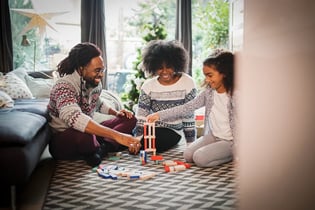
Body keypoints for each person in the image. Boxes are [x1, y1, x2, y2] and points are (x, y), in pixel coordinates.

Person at [48, 42, 141, 167]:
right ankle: (104, 145)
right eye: (97, 70)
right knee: (86, 134)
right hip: (65, 138)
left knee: (130, 119)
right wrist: (118, 136)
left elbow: (97, 102)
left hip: (89, 133)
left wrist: (116, 113)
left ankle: (101, 149)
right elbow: (75, 119)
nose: (101, 75)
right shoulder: (63, 86)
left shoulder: (93, 82)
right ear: (81, 68)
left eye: (102, 70)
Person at [146, 49, 236, 167]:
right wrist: (159, 115)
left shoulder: (235, 96)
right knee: (188, 155)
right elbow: (187, 107)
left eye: (210, 75)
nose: (207, 80)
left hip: (230, 141)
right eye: (205, 76)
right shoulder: (209, 93)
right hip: (214, 136)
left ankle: (233, 153)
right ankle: (217, 152)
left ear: (224, 73)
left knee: (199, 158)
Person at [133, 40, 197, 152]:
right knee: (132, 136)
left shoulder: (187, 82)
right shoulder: (148, 85)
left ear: (177, 64)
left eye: (169, 67)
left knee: (149, 142)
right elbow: (141, 117)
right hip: (151, 128)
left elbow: (189, 116)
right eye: (160, 67)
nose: (164, 71)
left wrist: (190, 146)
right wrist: (137, 139)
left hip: (173, 132)